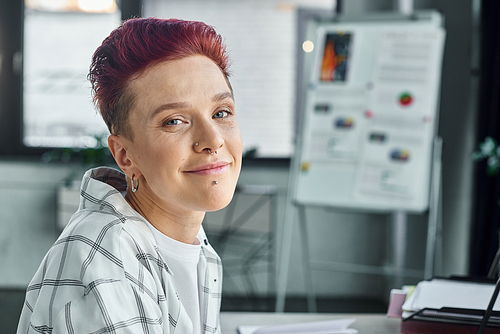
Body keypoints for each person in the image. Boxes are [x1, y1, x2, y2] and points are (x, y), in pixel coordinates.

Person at [17, 17, 242, 334]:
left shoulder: (193, 245)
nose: (213, 140)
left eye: (221, 113)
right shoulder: (106, 258)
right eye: (174, 121)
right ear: (125, 155)